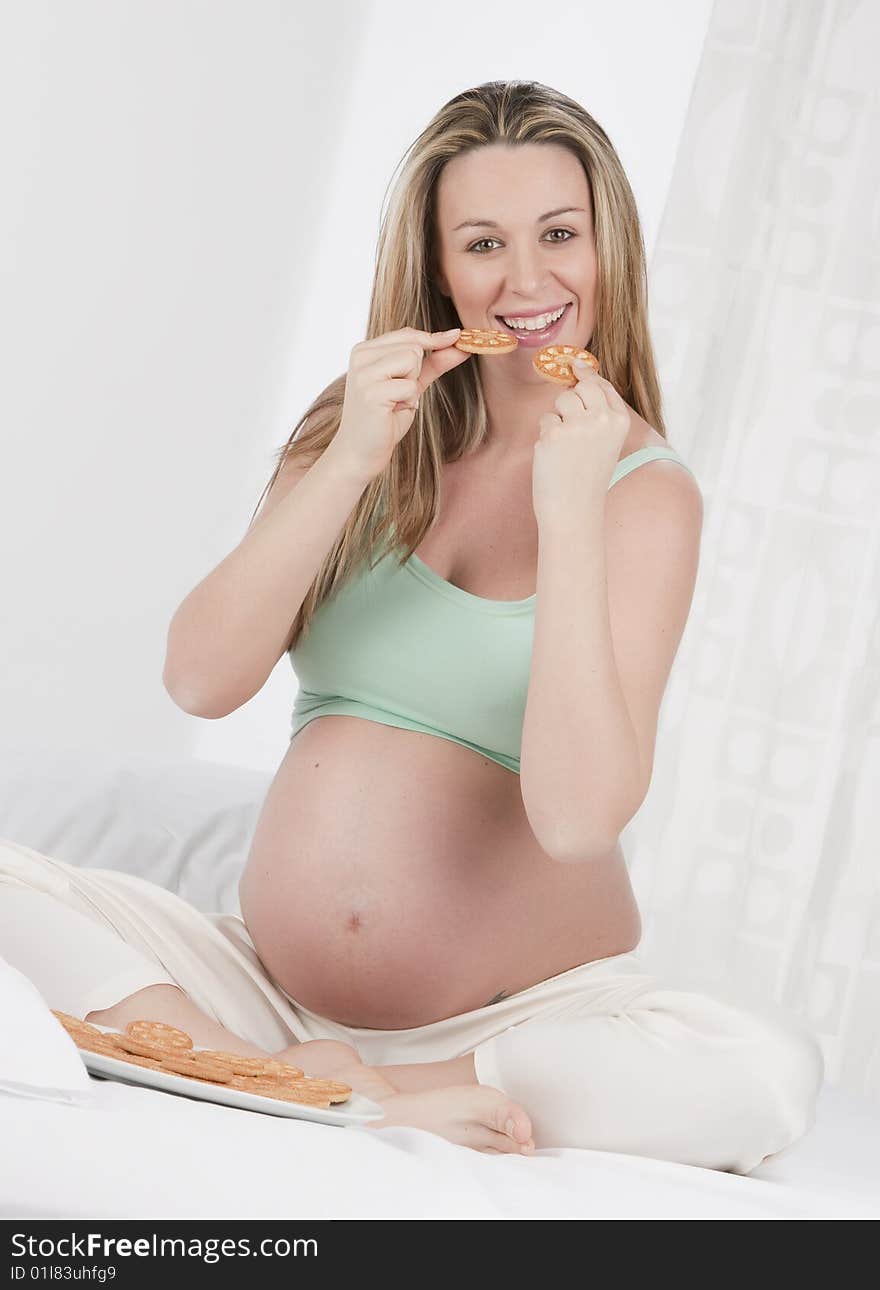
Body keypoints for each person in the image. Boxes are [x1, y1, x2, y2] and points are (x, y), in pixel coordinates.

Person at [0, 80, 824, 1171]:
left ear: (606, 244)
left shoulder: (640, 491)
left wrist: (568, 512)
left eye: (558, 234)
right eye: (483, 242)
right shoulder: (356, 431)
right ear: (437, 264)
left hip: (498, 1033)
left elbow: (580, 817)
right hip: (261, 990)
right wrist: (351, 456)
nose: (526, 281)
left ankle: (372, 1090)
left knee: (761, 1071)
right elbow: (199, 680)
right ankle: (252, 1066)